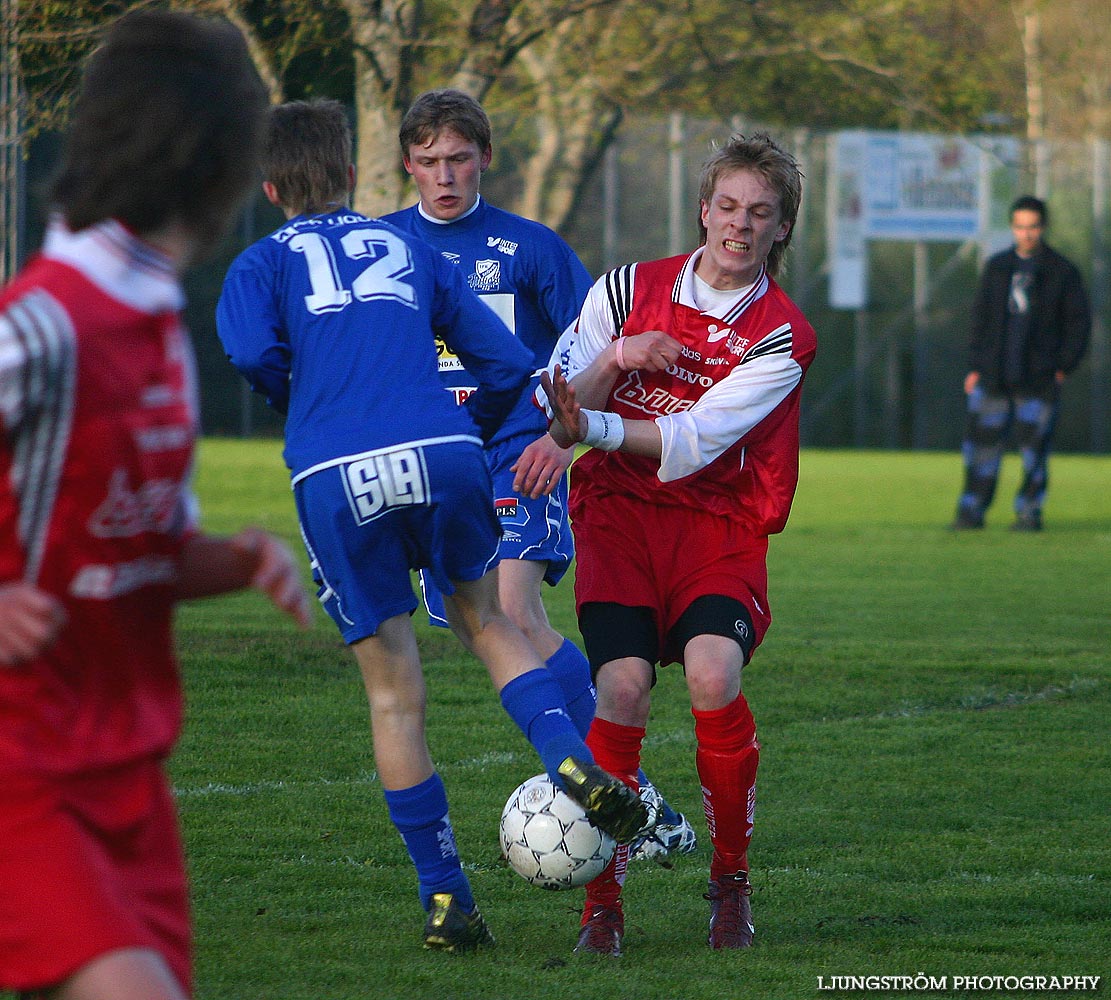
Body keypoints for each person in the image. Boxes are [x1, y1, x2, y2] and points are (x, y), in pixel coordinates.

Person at [216, 98, 648, 954]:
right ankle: (569, 755)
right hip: (446, 451)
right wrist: (474, 432)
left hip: (333, 471)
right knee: (486, 621)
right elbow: (500, 361)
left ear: (268, 187)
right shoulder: (405, 244)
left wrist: (304, 397)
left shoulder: (258, 263)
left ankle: (448, 903)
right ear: (351, 175)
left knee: (393, 693)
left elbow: (244, 351)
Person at [0, 12, 313, 1000]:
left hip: (127, 778)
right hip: (21, 766)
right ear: (217, 160)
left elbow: (135, 550)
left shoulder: (158, 324)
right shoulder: (46, 324)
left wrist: (229, 560)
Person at [381, 88, 694, 861]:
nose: (444, 175)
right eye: (427, 162)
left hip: (519, 453)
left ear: (485, 157)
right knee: (483, 624)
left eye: (458, 158)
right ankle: (628, 788)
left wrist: (566, 435)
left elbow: (596, 348)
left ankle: (628, 797)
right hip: (427, 466)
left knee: (513, 611)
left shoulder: (529, 248)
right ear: (407, 166)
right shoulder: (382, 247)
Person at [537, 132, 816, 955]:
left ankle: (729, 880)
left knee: (709, 672)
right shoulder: (628, 286)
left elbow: (694, 438)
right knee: (620, 688)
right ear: (703, 210)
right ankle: (601, 906)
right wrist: (602, 370)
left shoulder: (781, 335)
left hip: (717, 523)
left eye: (758, 213)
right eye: (727, 206)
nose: (738, 223)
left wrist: (581, 425)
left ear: (778, 230)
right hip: (620, 512)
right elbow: (562, 377)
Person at [950, 195, 1090, 532]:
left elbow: (1078, 325)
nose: (1026, 234)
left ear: (1042, 228)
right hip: (993, 377)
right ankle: (972, 512)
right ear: (1012, 227)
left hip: (1038, 380)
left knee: (1034, 452)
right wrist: (975, 367)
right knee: (981, 450)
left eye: (1032, 227)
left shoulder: (1062, 272)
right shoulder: (997, 268)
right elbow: (980, 320)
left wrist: (1063, 366)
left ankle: (1029, 513)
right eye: (1020, 227)